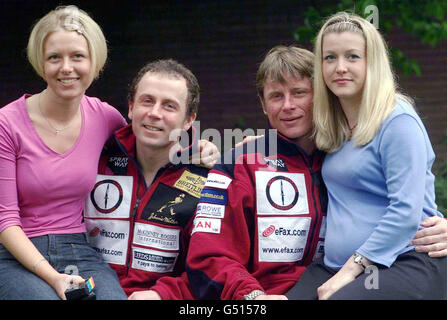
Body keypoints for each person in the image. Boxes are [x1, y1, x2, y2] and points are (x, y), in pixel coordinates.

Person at [0, 6, 217, 300]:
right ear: (41, 61)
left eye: (77, 56)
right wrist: (53, 278)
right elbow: (5, 220)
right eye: (55, 57)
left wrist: (203, 149)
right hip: (15, 253)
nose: (67, 67)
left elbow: (155, 136)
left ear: (93, 61)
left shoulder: (105, 118)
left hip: (78, 248)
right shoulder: (7, 123)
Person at [286, 12, 447, 300]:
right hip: (335, 265)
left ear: (372, 62)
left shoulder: (397, 121)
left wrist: (349, 272)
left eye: (352, 57)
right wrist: (239, 148)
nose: (340, 67)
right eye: (330, 58)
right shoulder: (333, 125)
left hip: (402, 261)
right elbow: (290, 138)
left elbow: (406, 211)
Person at [186, 45, 327, 300]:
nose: (288, 105)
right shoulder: (237, 164)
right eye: (276, 96)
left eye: (299, 93)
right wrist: (252, 297)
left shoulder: (348, 162)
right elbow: (208, 256)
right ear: (263, 105)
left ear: (320, 96)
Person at [84, 59, 210, 300]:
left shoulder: (207, 179)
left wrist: (162, 294)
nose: (154, 113)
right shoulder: (93, 159)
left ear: (188, 120)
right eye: (147, 101)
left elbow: (209, 265)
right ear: (131, 107)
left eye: (169, 106)